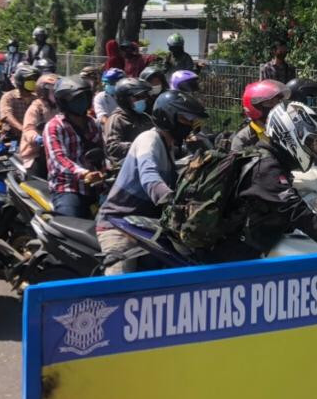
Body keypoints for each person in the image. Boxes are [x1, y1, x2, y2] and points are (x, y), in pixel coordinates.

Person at [209, 102, 317, 262]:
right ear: (290, 136)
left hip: (254, 243)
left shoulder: (274, 160)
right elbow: (295, 210)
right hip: (235, 254)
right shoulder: (267, 168)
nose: (314, 149)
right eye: (310, 143)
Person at [96, 91, 207, 273]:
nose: (191, 125)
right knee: (119, 287)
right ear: (168, 117)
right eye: (186, 119)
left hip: (144, 226)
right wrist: (169, 198)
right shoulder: (149, 139)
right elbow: (149, 176)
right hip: (118, 224)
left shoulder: (169, 146)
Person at [43, 76, 104, 218]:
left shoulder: (93, 124)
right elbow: (58, 159)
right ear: (64, 102)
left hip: (97, 187)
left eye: (85, 97)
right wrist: (84, 173)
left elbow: (103, 151)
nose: (82, 102)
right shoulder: (55, 126)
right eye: (77, 99)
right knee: (70, 229)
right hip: (68, 187)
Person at [103, 78, 154, 163]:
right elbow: (113, 147)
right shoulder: (117, 119)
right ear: (124, 99)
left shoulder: (145, 116)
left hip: (148, 160)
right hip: (126, 166)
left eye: (144, 96)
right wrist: (140, 145)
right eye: (138, 97)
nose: (143, 100)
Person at [232, 80, 288, 151]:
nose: (276, 106)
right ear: (255, 107)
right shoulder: (242, 139)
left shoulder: (285, 130)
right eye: (270, 102)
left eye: (277, 102)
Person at [20, 73, 58, 176]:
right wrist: (37, 138)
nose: (55, 92)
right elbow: (28, 130)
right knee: (37, 184)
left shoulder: (60, 107)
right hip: (36, 152)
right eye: (52, 90)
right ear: (43, 91)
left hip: (56, 151)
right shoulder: (36, 107)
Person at [0, 64, 38, 142]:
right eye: (30, 80)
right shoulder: (8, 97)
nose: (33, 82)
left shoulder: (36, 98)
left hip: (32, 137)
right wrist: (23, 129)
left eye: (34, 80)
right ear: (21, 81)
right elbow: (7, 116)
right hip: (12, 138)